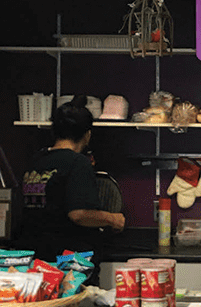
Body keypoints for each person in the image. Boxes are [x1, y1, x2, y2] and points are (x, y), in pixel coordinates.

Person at [17, 96, 125, 284]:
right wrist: (113, 218)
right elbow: (79, 214)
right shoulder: (77, 162)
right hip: (70, 266)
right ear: (87, 135)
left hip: (37, 262)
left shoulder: (37, 160)